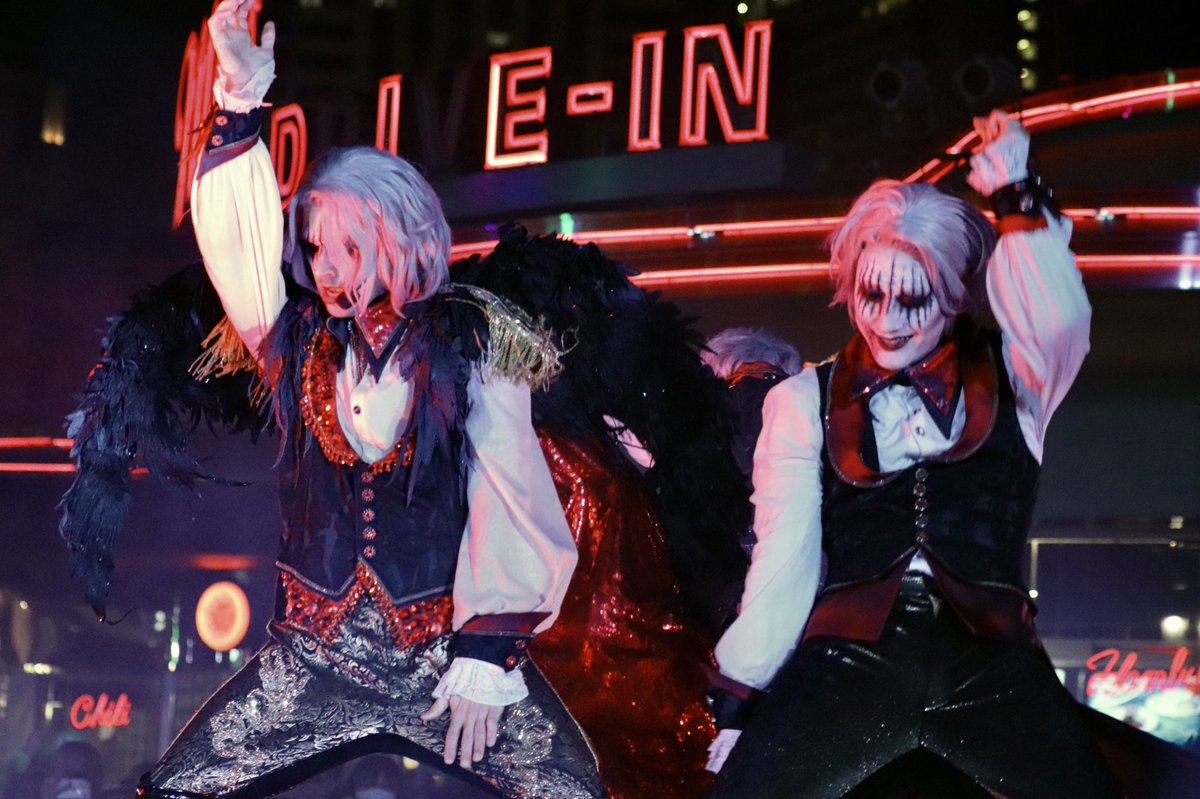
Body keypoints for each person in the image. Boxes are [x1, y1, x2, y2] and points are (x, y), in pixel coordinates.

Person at [133, 2, 602, 796]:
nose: (327, 267)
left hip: (445, 662)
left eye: (349, 246)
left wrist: (487, 652)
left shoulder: (472, 341)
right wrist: (239, 106)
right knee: (178, 786)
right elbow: (237, 249)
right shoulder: (295, 340)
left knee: (573, 788)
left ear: (402, 235)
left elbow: (512, 490)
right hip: (312, 659)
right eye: (316, 246)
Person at [704, 112, 1123, 798]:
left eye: (914, 298)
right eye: (872, 294)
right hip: (847, 658)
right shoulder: (802, 399)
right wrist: (741, 686)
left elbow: (1061, 318)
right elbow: (785, 557)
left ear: (953, 297)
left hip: (992, 658)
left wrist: (1016, 193)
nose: (889, 319)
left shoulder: (1019, 377)